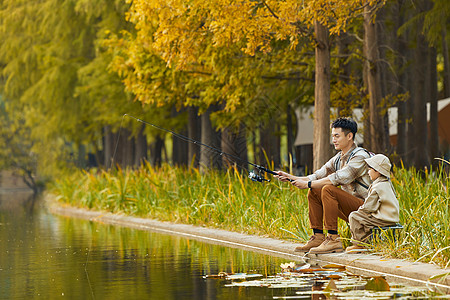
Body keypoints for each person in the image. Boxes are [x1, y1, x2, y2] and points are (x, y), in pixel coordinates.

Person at [275, 117, 372, 254]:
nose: (334, 140)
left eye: (337, 136)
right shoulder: (339, 157)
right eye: (333, 136)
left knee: (328, 189)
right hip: (352, 210)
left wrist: (307, 184)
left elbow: (337, 178)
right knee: (315, 190)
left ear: (349, 136)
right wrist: (290, 177)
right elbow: (317, 176)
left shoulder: (360, 156)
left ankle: (333, 239)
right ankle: (318, 237)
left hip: (366, 211)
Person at [345, 154, 400, 253]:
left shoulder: (377, 187)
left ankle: (360, 244)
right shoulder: (386, 184)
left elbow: (369, 207)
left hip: (383, 218)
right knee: (362, 218)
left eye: (370, 169)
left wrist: (360, 212)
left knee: (354, 216)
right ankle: (366, 241)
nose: (368, 172)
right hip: (391, 217)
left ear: (377, 171)